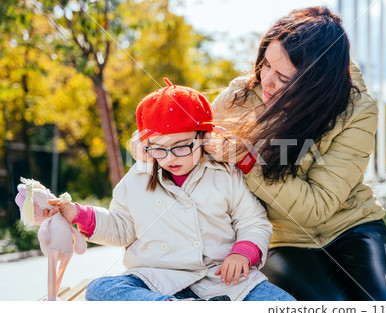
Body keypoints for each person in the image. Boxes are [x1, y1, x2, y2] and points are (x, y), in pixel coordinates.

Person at [205, 7, 386, 301]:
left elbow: (317, 207)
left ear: (317, 83)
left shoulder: (358, 110)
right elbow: (190, 139)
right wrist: (154, 139)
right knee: (332, 305)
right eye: (266, 65)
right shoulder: (240, 98)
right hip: (284, 240)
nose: (268, 81)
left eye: (284, 78)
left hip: (353, 228)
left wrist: (248, 161)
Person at [45, 78, 295, 301]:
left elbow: (253, 222)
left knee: (283, 305)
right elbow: (121, 228)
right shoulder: (137, 179)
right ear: (146, 146)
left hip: (220, 278)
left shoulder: (225, 174)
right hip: (156, 279)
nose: (169, 157)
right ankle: (167, 307)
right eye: (158, 148)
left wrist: (243, 253)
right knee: (100, 288)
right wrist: (79, 214)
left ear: (204, 138)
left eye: (181, 146)